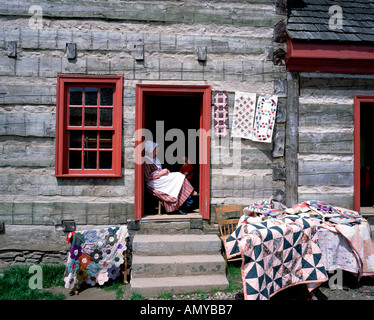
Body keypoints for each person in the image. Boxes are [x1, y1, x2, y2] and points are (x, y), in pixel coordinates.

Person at [143, 141, 197, 215]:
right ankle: (192, 193)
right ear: (150, 150)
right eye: (155, 150)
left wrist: (164, 171)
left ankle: (179, 207)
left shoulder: (155, 159)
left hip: (160, 179)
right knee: (178, 176)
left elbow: (158, 170)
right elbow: (147, 177)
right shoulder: (146, 160)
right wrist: (161, 173)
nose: (156, 152)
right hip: (154, 183)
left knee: (178, 181)